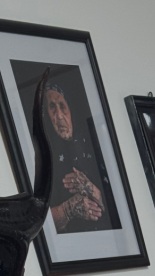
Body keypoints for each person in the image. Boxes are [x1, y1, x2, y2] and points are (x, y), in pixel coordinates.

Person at [44, 82, 113, 234]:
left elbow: (122, 204)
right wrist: (68, 209)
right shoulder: (44, 155)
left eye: (62, 106)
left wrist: (93, 191)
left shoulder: (96, 142)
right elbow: (38, 222)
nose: (59, 116)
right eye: (52, 107)